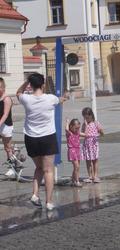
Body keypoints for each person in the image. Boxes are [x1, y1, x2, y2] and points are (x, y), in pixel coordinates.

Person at [16, 73, 67, 210]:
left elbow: (18, 92)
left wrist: (26, 81)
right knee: (48, 170)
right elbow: (60, 100)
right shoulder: (50, 99)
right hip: (47, 138)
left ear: (30, 85)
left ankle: (35, 194)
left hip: (31, 138)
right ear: (43, 85)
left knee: (38, 168)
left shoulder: (26, 99)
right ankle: (49, 202)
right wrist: (63, 98)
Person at [81, 107, 104, 183]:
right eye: (85, 117)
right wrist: (86, 125)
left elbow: (102, 132)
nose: (86, 119)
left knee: (95, 160)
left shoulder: (96, 123)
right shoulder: (84, 124)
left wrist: (100, 133)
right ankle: (90, 176)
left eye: (87, 117)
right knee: (88, 160)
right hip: (87, 144)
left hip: (94, 144)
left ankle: (95, 176)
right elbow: (83, 133)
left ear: (91, 115)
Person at [65, 118, 85, 187]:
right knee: (76, 166)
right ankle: (77, 181)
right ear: (71, 126)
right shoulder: (69, 133)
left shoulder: (78, 133)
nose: (77, 129)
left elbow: (86, 135)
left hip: (77, 150)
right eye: (76, 128)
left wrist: (86, 125)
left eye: (78, 128)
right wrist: (67, 122)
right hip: (72, 151)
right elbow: (66, 129)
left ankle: (73, 180)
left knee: (77, 167)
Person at [0, 78, 14, 161]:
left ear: (3, 87)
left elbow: (5, 115)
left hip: (5, 126)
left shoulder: (6, 99)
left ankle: (14, 166)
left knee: (7, 148)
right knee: (7, 147)